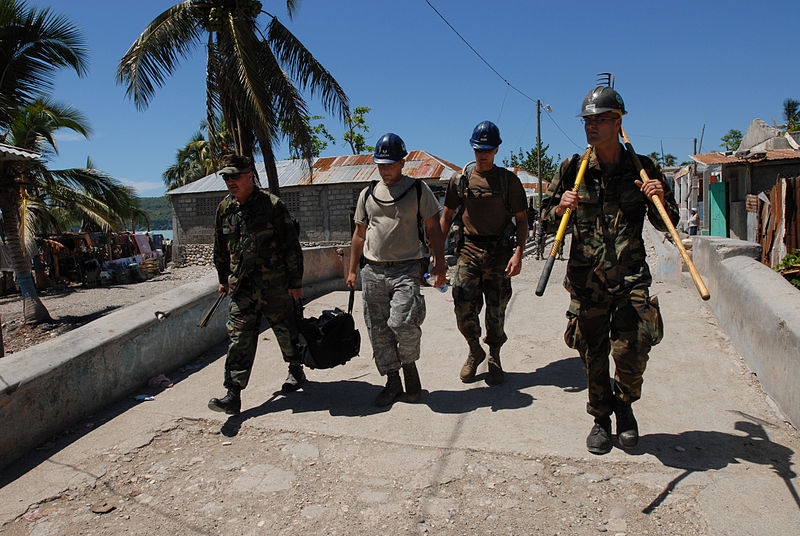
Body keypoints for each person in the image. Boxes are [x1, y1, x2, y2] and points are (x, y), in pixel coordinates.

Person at [542, 86, 679, 454]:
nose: (592, 126)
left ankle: (626, 405)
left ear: (618, 122)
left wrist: (659, 199)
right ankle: (601, 418)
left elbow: (670, 226)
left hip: (630, 277)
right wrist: (559, 208)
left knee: (633, 351)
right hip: (587, 280)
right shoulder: (573, 169)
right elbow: (543, 220)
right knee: (593, 353)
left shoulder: (643, 168)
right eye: (588, 120)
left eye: (600, 119)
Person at [346, 133, 446, 407]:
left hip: (406, 269)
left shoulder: (417, 190)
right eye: (381, 164)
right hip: (373, 271)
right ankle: (392, 381)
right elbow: (358, 234)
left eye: (391, 163)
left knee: (403, 323)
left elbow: (433, 228)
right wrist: (352, 270)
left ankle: (410, 369)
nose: (385, 168)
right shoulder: (367, 193)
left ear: (403, 162)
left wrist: (440, 263)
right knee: (378, 329)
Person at [208, 154, 306, 415]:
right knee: (238, 338)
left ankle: (296, 369)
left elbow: (291, 247)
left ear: (249, 175)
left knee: (287, 332)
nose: (230, 181)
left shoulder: (272, 205)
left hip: (276, 286)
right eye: (226, 177)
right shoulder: (224, 209)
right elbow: (220, 248)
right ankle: (233, 393)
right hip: (243, 288)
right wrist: (222, 279)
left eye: (235, 176)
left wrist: (296, 282)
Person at [440, 121, 528, 385]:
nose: (483, 154)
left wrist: (519, 253)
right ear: (472, 148)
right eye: (479, 149)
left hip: (499, 254)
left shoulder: (508, 181)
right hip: (468, 251)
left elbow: (522, 219)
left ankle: (494, 356)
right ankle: (474, 350)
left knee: (496, 311)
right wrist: (436, 257)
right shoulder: (461, 180)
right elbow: (446, 217)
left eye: (488, 149)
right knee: (463, 307)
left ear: (497, 149)